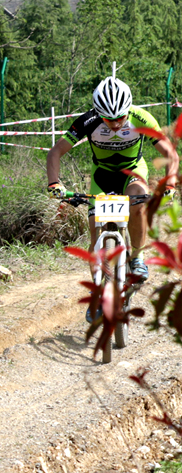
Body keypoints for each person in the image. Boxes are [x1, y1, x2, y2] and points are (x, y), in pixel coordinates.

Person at [46, 76, 178, 320]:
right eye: (109, 119)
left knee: (137, 201)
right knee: (97, 236)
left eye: (120, 117)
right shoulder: (88, 121)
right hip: (102, 177)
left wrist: (169, 181)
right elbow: (56, 152)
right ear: (98, 112)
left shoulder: (141, 118)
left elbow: (170, 153)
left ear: (128, 110)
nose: (116, 124)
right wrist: (54, 182)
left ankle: (136, 258)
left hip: (133, 172)